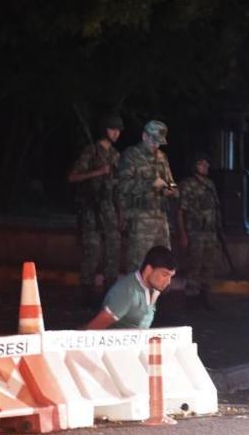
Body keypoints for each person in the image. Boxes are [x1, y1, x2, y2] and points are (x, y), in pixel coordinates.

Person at [68, 114, 123, 304]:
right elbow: (73, 177)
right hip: (91, 208)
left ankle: (110, 293)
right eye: (112, 129)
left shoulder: (116, 155)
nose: (116, 133)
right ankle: (86, 292)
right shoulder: (91, 151)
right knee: (92, 251)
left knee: (113, 250)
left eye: (118, 130)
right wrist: (97, 172)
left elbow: (117, 187)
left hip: (109, 208)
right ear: (104, 130)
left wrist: (120, 212)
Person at [116, 120, 177, 272]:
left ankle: (156, 288)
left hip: (160, 218)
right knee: (139, 263)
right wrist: (150, 184)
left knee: (163, 262)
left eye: (159, 142)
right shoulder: (131, 155)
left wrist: (171, 189)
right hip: (140, 218)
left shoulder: (162, 157)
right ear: (144, 136)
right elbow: (122, 185)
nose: (156, 145)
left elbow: (171, 182)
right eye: (154, 140)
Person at [84, 246, 177, 330]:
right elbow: (92, 329)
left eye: (171, 276)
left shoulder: (153, 288)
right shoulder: (127, 291)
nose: (168, 282)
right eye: (164, 275)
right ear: (148, 270)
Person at [177, 151, 221, 310]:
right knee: (194, 265)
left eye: (206, 163)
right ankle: (191, 298)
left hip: (210, 232)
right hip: (194, 232)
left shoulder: (210, 184)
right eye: (201, 163)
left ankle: (205, 296)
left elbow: (215, 208)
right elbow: (181, 210)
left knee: (210, 265)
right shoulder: (187, 184)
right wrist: (183, 234)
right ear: (194, 166)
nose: (206, 166)